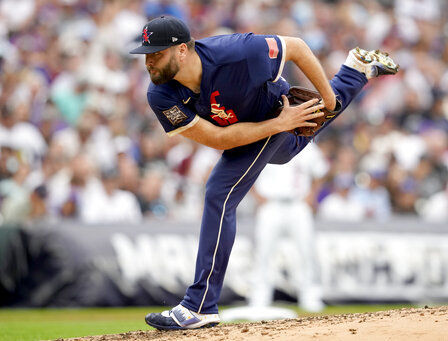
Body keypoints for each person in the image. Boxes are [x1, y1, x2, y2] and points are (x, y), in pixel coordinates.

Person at [129, 15, 398, 330]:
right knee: (292, 146)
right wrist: (282, 125)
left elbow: (295, 47)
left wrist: (328, 100)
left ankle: (199, 305)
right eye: (147, 53)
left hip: (274, 107)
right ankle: (355, 70)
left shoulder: (237, 53)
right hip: (262, 128)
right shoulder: (161, 94)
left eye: (157, 53)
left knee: (219, 191)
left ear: (183, 52)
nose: (149, 61)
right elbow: (217, 139)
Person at [249, 143, 328, 313]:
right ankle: (259, 297)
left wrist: (312, 195)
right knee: (263, 252)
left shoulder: (306, 144)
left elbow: (320, 172)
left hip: (298, 204)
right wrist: (257, 196)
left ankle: (310, 296)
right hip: (271, 204)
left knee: (307, 251)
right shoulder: (266, 140)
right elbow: (248, 169)